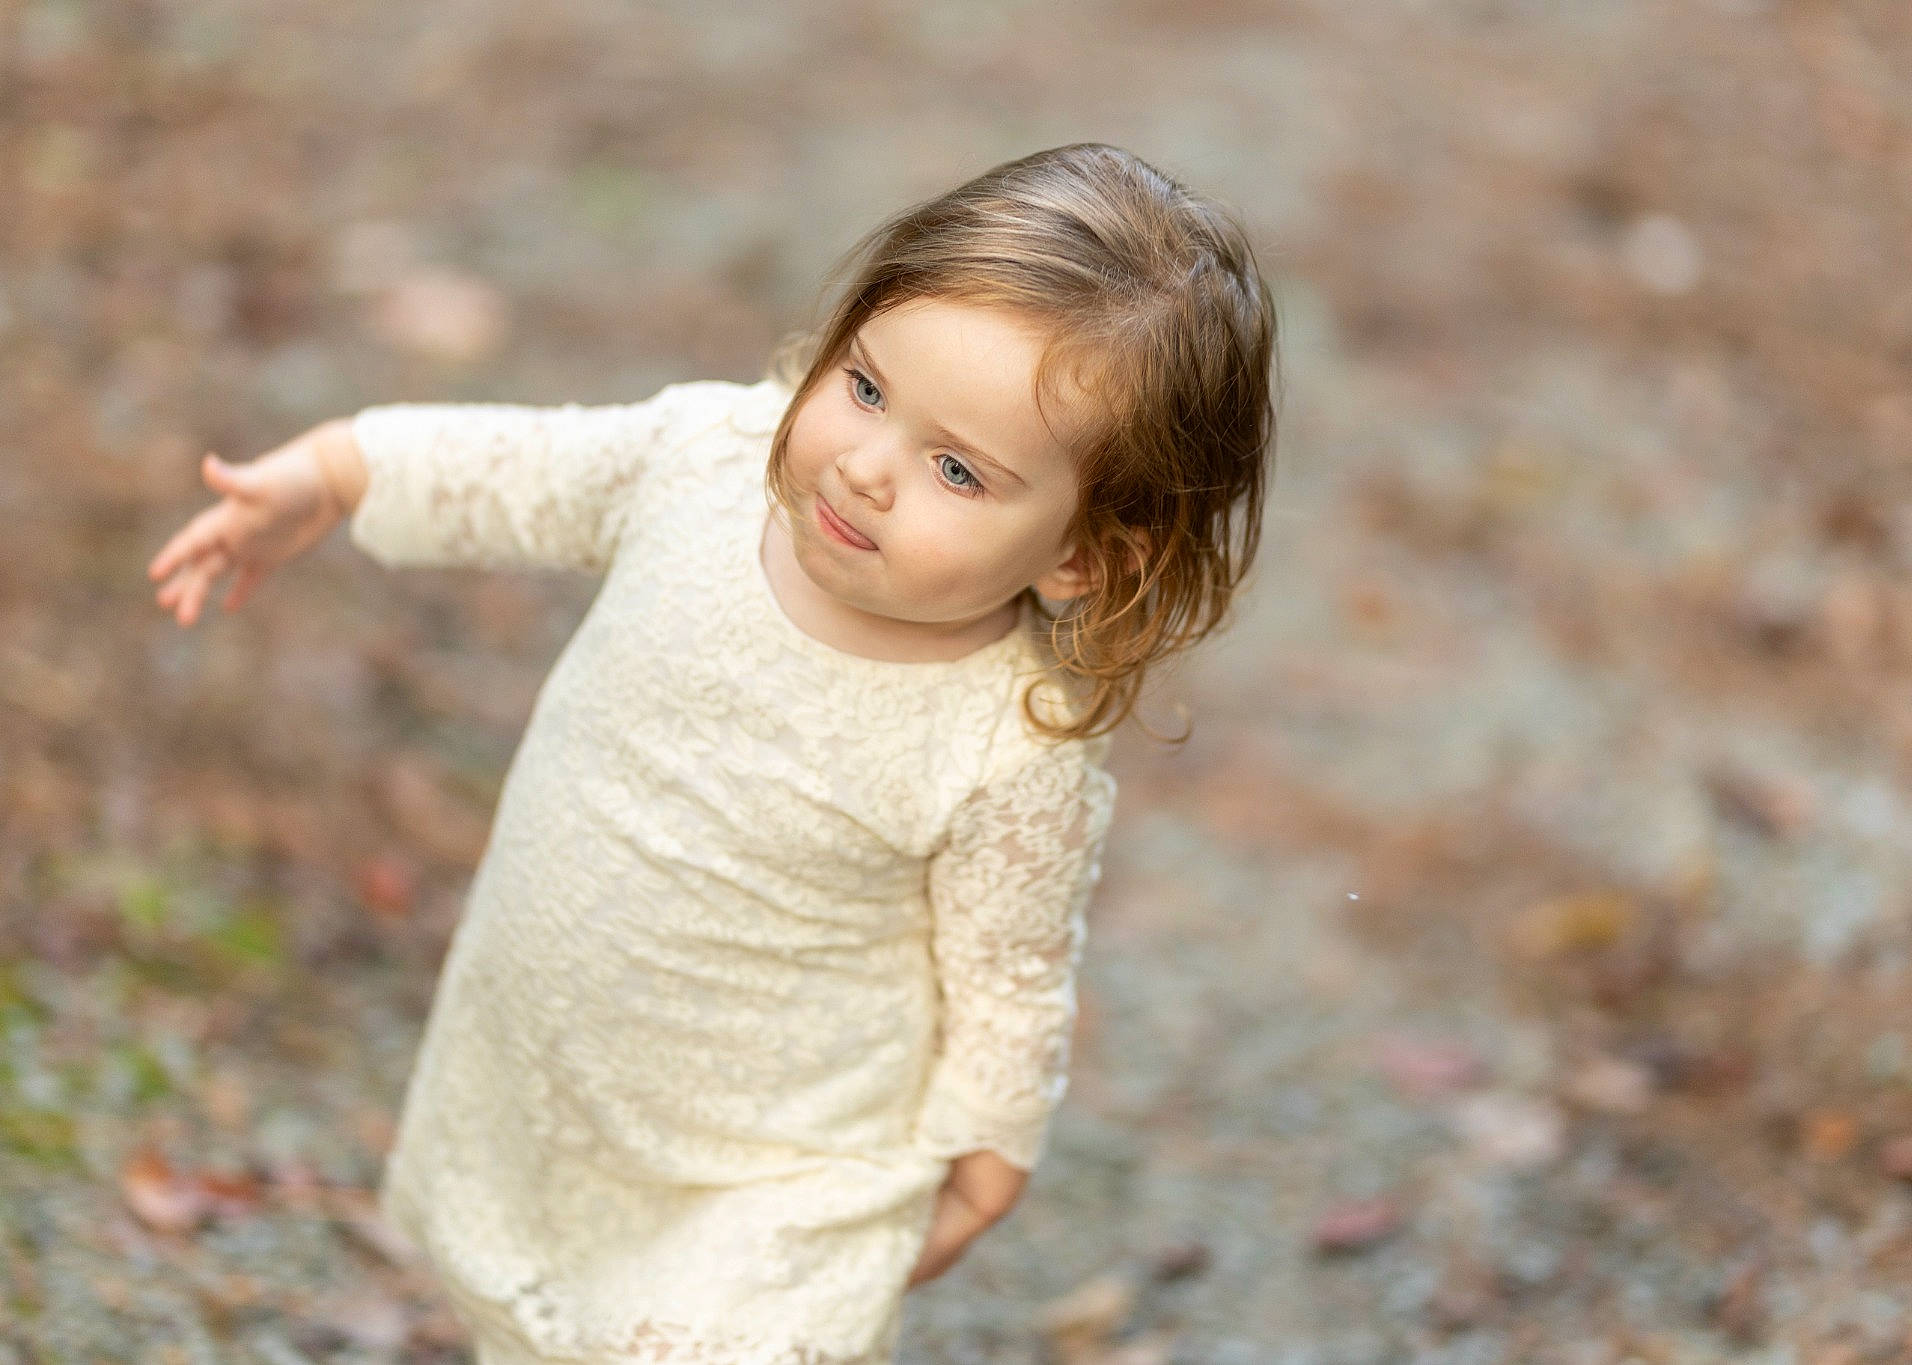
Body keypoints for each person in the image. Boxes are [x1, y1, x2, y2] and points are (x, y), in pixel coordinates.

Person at [145, 142, 1277, 1364]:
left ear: (1082, 555)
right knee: (524, 1310)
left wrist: (992, 1142)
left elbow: (1008, 968)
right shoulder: (701, 465)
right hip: (552, 1067)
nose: (865, 466)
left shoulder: (1006, 745)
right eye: (866, 387)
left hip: (781, 1175)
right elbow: (516, 469)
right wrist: (336, 471)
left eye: (956, 469)